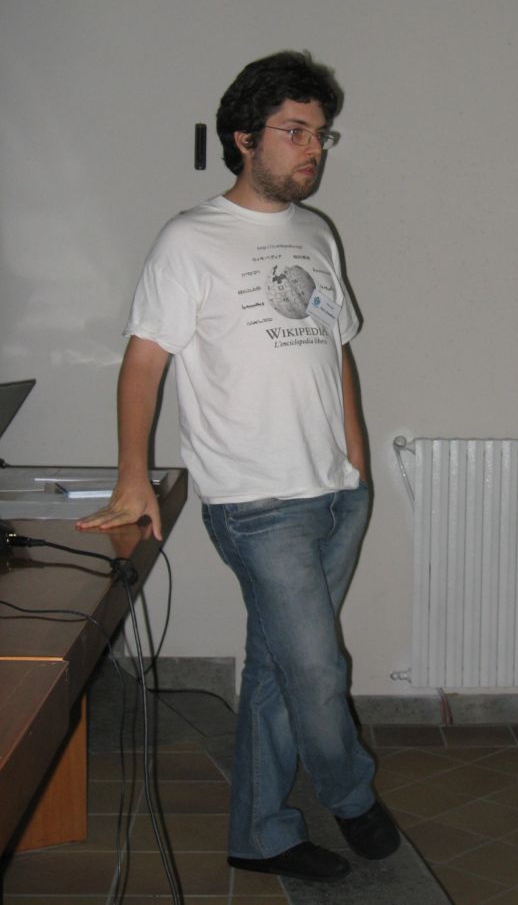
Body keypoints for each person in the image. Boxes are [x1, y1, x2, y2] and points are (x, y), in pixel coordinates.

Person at [77, 51, 399, 884]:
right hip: (257, 503)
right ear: (244, 137)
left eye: (321, 135)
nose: (313, 149)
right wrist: (133, 473)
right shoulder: (189, 239)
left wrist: (357, 462)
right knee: (318, 669)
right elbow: (144, 361)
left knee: (277, 670)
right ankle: (351, 793)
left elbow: (337, 348)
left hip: (337, 493)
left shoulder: (317, 233)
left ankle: (261, 833)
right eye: (295, 131)